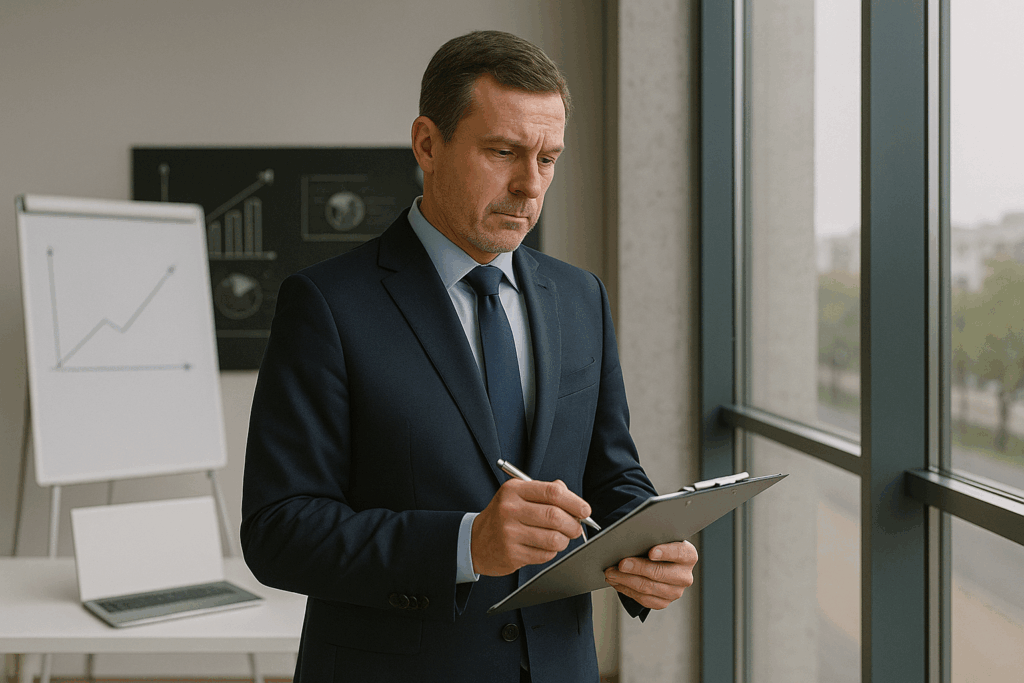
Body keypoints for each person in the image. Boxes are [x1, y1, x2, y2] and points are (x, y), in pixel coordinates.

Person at [240, 30, 698, 683]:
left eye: (549, 158)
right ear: (428, 143)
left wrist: (642, 545)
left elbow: (612, 473)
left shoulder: (580, 297)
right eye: (503, 151)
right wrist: (464, 543)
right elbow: (278, 531)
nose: (528, 186)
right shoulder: (325, 304)